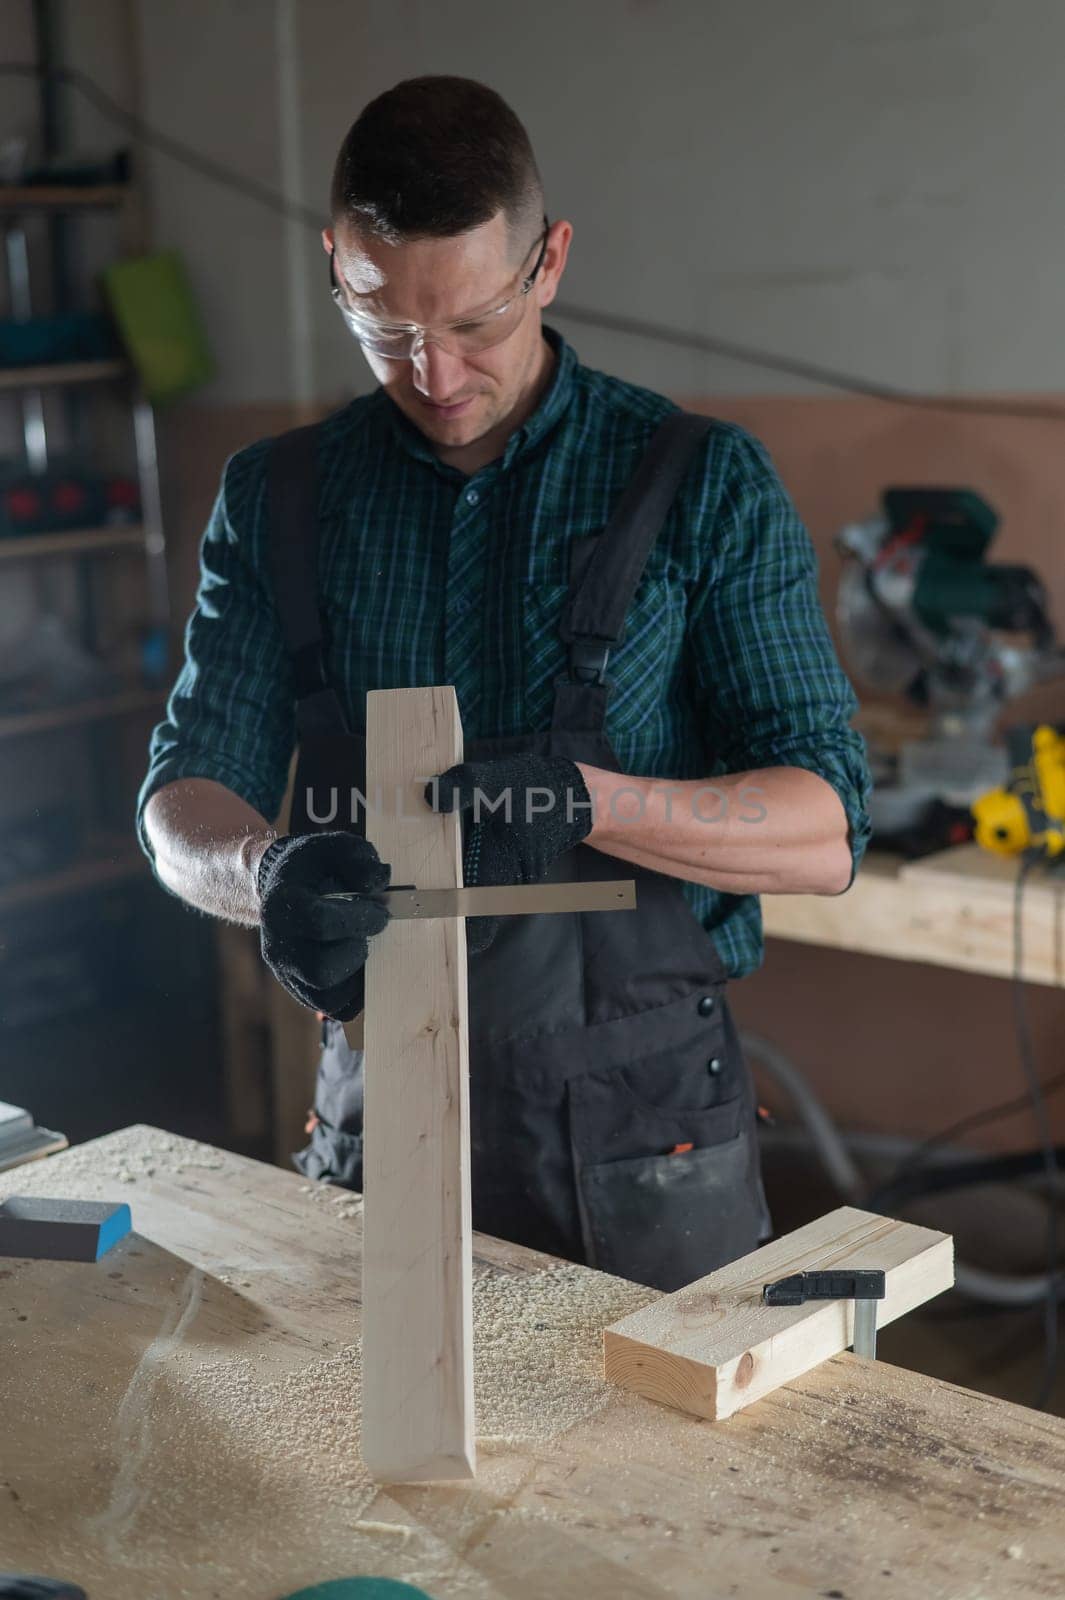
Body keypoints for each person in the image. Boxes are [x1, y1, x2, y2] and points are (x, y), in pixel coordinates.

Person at [138, 75, 871, 1292]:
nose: (433, 373)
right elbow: (181, 800)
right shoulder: (278, 499)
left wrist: (594, 803)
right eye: (384, 327)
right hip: (381, 1117)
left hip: (647, 1137)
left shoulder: (702, 483)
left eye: (474, 322)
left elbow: (829, 827)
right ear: (335, 263)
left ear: (549, 262)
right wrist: (261, 873)